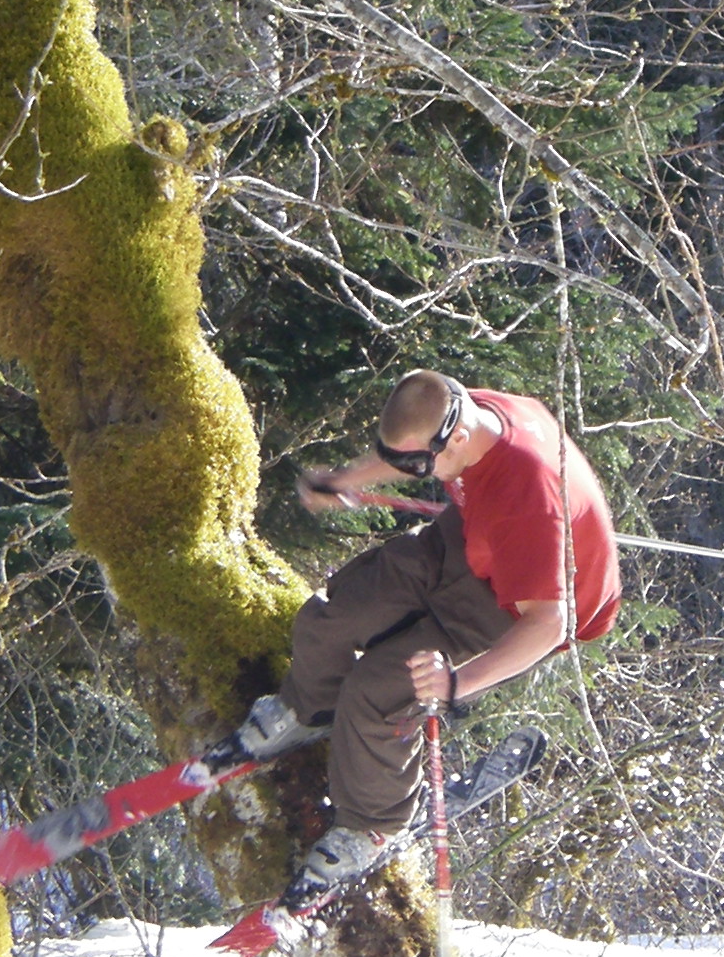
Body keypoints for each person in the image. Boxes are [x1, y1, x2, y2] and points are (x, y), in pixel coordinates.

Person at [238, 370, 620, 890]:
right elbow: (411, 449)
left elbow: (550, 624)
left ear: (456, 436)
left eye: (420, 464)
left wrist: (457, 684)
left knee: (379, 689)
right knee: (333, 614)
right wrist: (349, 479)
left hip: (512, 603)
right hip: (467, 538)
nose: (414, 472)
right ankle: (310, 708)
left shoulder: (530, 497)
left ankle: (374, 827)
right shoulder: (467, 414)